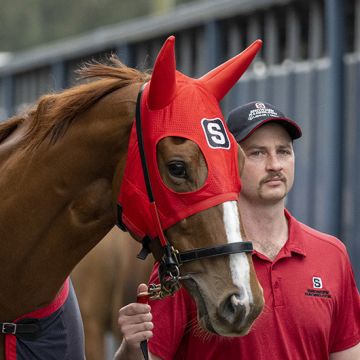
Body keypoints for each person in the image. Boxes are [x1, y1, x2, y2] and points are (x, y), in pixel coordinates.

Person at [114, 101, 360, 360]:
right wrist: (131, 348)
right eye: (258, 153)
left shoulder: (332, 255)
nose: (275, 164)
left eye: (284, 151)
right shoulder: (189, 261)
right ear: (228, 162)